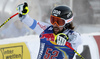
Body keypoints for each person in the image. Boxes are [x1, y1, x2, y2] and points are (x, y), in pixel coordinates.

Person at [17, 2, 82, 59]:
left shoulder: (72, 36)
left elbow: (77, 38)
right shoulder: (46, 29)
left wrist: (67, 38)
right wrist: (23, 14)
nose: (55, 25)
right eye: (53, 20)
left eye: (59, 22)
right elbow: (30, 22)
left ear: (67, 23)